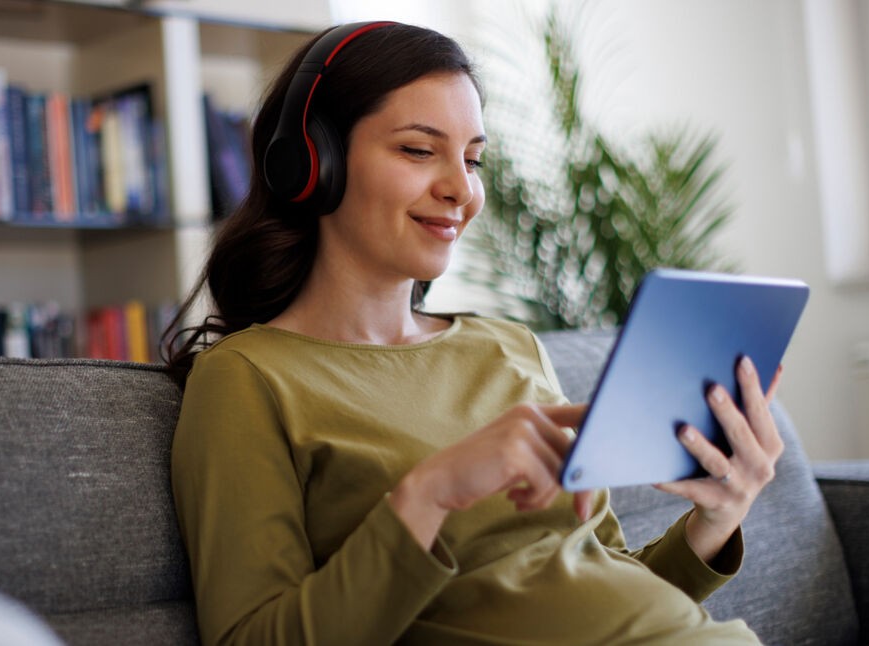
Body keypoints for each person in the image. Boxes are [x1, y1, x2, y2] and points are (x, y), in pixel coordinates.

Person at [164, 21, 782, 646]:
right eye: (417, 150)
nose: (461, 189)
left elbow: (603, 584)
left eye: (473, 158)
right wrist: (429, 495)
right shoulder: (248, 379)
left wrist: (716, 518)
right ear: (312, 162)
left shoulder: (510, 346)